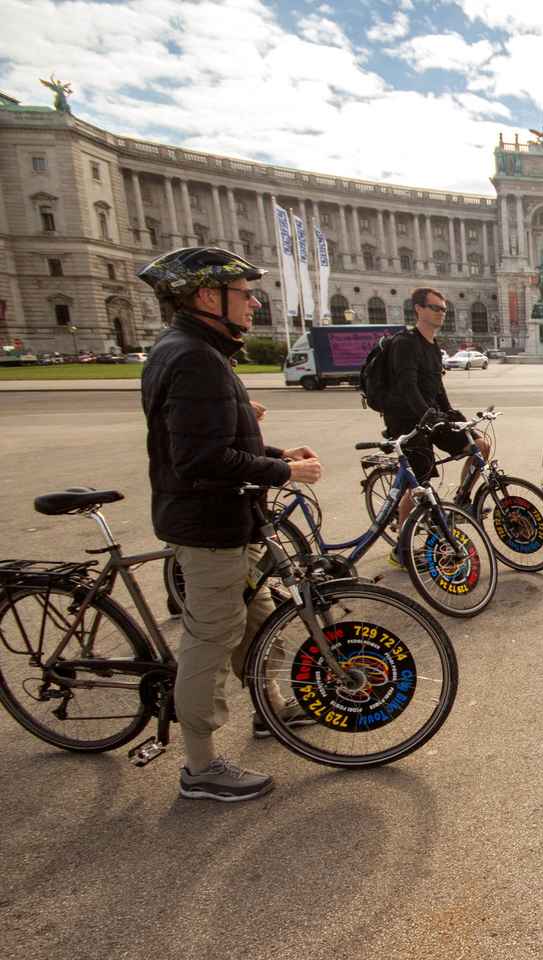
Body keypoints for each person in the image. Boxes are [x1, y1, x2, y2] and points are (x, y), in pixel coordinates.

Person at [138, 246, 325, 803]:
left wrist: (270, 450)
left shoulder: (196, 351)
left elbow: (211, 440)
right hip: (209, 524)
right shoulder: (195, 357)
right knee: (210, 639)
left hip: (225, 521)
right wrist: (284, 469)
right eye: (244, 294)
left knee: (258, 619)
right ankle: (199, 767)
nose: (254, 302)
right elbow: (201, 460)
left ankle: (269, 707)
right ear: (205, 296)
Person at [383, 287, 489, 556]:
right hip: (408, 423)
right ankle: (401, 548)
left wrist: (456, 419)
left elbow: (437, 390)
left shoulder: (432, 347)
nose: (441, 313)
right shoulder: (405, 343)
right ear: (418, 309)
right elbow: (408, 388)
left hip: (432, 418)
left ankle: (461, 502)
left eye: (443, 309)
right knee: (418, 485)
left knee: (480, 445)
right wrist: (429, 417)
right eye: (435, 308)